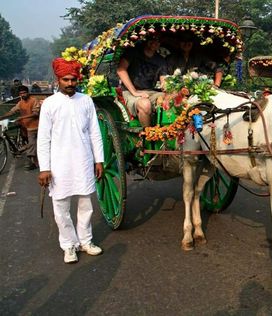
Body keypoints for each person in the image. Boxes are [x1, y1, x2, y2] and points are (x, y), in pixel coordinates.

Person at [37, 57, 104, 264]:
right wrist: (44, 168)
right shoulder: (50, 104)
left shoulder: (86, 100)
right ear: (58, 80)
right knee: (61, 206)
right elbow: (43, 137)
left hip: (83, 160)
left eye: (73, 79)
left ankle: (85, 241)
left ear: (77, 80)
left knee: (86, 204)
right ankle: (69, 245)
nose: (69, 83)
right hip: (59, 164)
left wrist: (98, 160)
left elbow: (95, 132)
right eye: (65, 79)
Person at [116, 36, 168, 127]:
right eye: (151, 39)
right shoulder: (133, 53)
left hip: (151, 92)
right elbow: (121, 70)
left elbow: (163, 80)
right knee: (145, 104)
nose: (154, 42)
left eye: (157, 41)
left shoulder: (161, 60)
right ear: (146, 40)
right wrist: (135, 92)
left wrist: (169, 90)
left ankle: (172, 133)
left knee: (175, 99)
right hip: (130, 92)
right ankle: (148, 136)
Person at [0, 85, 41, 170]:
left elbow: (35, 114)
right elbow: (12, 111)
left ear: (28, 93)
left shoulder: (34, 101)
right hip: (25, 126)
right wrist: (2, 117)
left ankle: (32, 162)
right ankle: (24, 149)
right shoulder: (20, 103)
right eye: (21, 93)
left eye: (24, 93)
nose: (22, 95)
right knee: (30, 143)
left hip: (34, 126)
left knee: (32, 143)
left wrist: (21, 117)